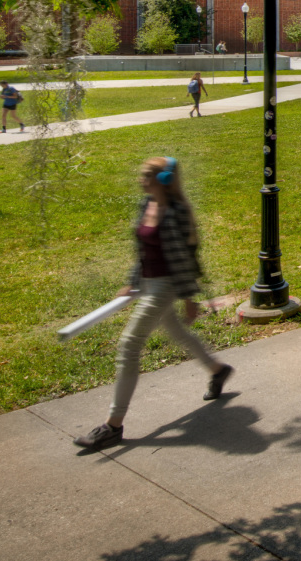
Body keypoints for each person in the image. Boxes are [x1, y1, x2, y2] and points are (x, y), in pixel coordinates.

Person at [74, 157, 233, 451]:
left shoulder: (176, 213)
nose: (141, 180)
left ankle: (113, 426)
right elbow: (142, 249)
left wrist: (189, 298)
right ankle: (217, 370)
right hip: (147, 282)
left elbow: (185, 259)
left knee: (129, 344)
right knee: (177, 333)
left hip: (165, 286)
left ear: (161, 180)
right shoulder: (145, 205)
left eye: (146, 176)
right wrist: (133, 280)